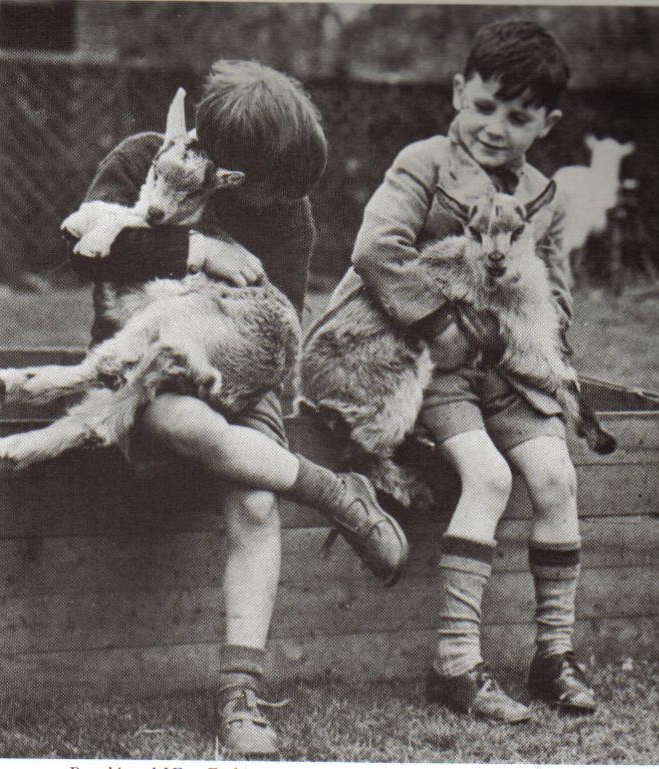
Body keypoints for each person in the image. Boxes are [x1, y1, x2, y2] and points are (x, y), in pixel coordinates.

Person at [68, 60, 408, 756]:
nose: (290, 202)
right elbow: (83, 250)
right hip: (146, 365)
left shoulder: (289, 213)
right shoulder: (142, 158)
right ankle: (335, 493)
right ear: (229, 174)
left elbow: (276, 319)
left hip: (238, 374)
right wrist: (199, 248)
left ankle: (240, 691)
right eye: (278, 190)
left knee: (255, 505)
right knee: (176, 420)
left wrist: (243, 379)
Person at [326, 19, 595, 721]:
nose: (496, 128)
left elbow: (556, 293)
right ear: (457, 93)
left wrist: (539, 355)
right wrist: (441, 325)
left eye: (518, 116)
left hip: (504, 367)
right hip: (436, 361)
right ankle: (456, 662)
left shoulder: (546, 198)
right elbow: (376, 250)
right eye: (482, 107)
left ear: (547, 123)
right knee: (490, 475)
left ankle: (553, 655)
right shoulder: (424, 163)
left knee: (556, 477)